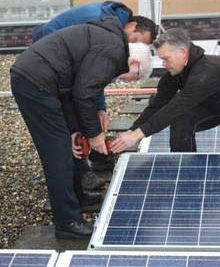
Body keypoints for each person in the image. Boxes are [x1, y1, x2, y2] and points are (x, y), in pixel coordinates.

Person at [10, 17, 153, 239]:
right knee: (58, 154)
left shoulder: (109, 42)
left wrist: (75, 129)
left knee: (70, 145)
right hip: (35, 82)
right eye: (132, 77)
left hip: (47, 80)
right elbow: (84, 94)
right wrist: (95, 135)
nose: (124, 82)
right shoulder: (114, 51)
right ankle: (67, 222)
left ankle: (79, 197)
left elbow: (74, 86)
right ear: (133, 63)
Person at [32, 0, 157, 195]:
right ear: (132, 26)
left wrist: (101, 109)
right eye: (135, 40)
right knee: (72, 112)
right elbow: (86, 80)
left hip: (66, 61)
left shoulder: (113, 23)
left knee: (86, 106)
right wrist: (93, 125)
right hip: (49, 59)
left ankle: (97, 156)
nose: (132, 46)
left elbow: (92, 78)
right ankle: (81, 172)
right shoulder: (101, 22)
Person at [111, 28, 220, 154]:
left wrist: (137, 135)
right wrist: (131, 132)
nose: (164, 64)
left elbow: (177, 106)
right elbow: (157, 106)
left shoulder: (207, 72)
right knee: (181, 120)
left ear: (183, 52)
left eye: (166, 58)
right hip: (214, 105)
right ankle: (183, 166)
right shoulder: (175, 73)